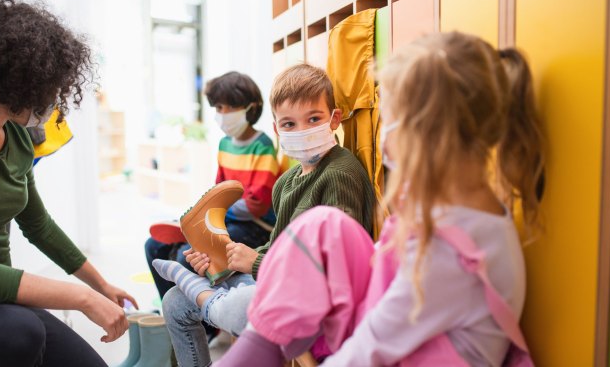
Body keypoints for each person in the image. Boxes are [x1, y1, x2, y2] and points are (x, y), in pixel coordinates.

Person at [215, 32, 544, 366]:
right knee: (323, 224)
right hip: (396, 337)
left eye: (390, 120)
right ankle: (256, 346)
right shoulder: (455, 211)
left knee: (259, 296)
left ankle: (249, 345)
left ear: (429, 135)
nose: (383, 138)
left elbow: (369, 350)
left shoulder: (448, 252)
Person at [0, 0, 138, 367]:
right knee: (17, 334)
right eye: (54, 87)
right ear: (23, 79)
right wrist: (82, 298)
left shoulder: (13, 135)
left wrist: (100, 286)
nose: (55, 99)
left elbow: (38, 225)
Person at [153, 63, 376, 367]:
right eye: (289, 124)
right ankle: (209, 290)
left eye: (314, 119)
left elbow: (337, 269)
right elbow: (278, 248)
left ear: (334, 119)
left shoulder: (339, 173)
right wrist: (226, 263)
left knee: (232, 310)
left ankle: (212, 299)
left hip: (313, 303)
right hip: (278, 282)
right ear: (276, 129)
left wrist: (256, 263)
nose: (302, 131)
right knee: (174, 302)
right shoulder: (287, 181)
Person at [144, 71, 278, 301]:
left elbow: (256, 205)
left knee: (187, 258)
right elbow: (218, 189)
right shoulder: (224, 144)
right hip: (226, 219)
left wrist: (211, 214)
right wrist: (208, 214)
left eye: (229, 107)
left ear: (250, 108)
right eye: (218, 108)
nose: (222, 114)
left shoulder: (262, 145)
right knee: (154, 246)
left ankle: (204, 324)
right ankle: (170, 311)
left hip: (255, 226)